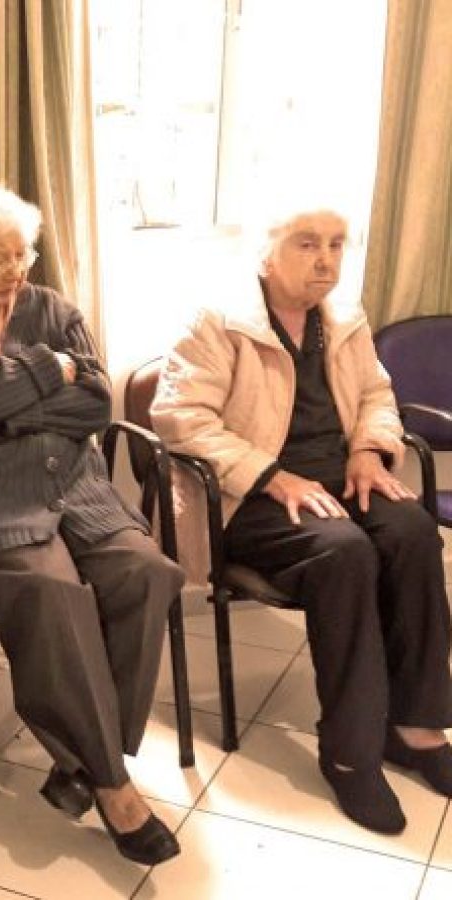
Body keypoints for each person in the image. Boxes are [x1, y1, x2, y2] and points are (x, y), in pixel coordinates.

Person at [0, 184, 184, 866]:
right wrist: (46, 370)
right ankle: (112, 785)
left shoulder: (54, 309)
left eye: (23, 252)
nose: (17, 271)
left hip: (77, 490)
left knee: (148, 573)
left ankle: (79, 762)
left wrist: (1, 409)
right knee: (54, 595)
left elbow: (94, 405)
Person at [151, 203, 452, 835]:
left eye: (337, 245)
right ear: (267, 253)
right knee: (345, 552)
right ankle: (350, 750)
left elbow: (376, 394)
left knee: (415, 531)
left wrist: (369, 450)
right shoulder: (217, 320)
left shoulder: (344, 318)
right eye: (308, 244)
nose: (326, 260)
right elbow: (181, 419)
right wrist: (272, 475)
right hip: (246, 496)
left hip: (337, 479)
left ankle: (416, 727)